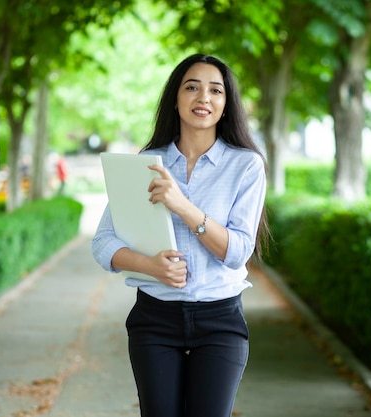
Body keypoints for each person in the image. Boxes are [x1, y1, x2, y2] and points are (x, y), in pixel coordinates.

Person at [91, 53, 270, 417]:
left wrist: (182, 205)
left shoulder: (246, 165)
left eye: (215, 90)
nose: (203, 97)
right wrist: (150, 267)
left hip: (220, 321)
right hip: (154, 321)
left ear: (225, 104)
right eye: (192, 87)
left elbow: (237, 252)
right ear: (176, 98)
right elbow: (103, 243)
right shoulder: (146, 163)